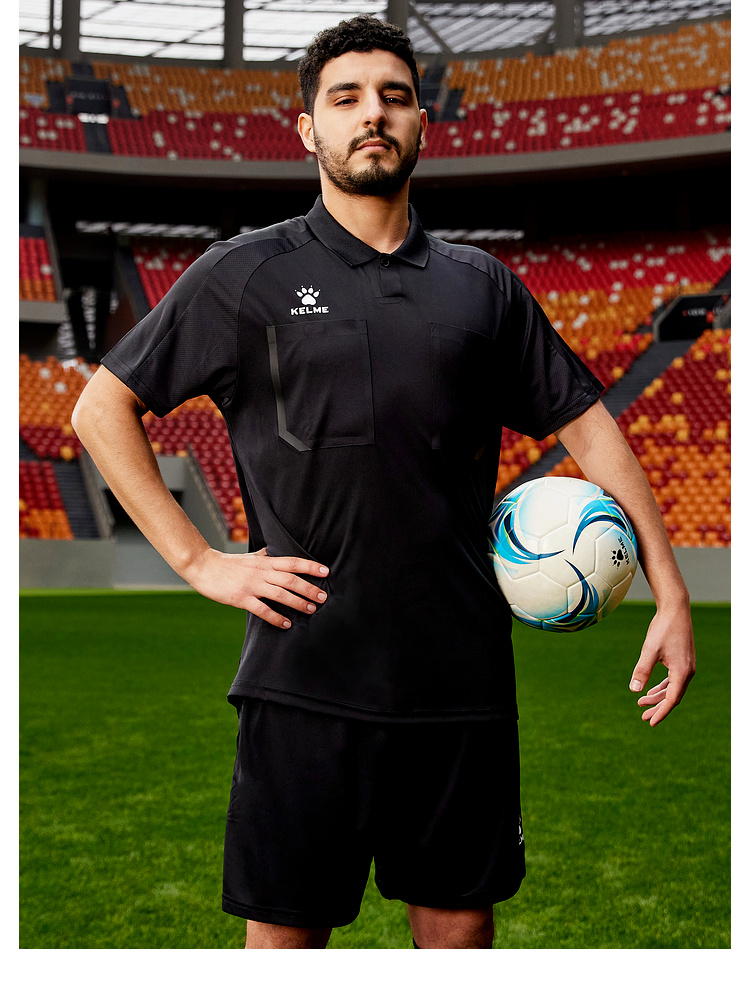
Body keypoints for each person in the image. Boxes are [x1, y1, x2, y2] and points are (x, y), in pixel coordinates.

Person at [72, 14, 695, 950]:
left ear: (420, 125)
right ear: (308, 128)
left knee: (458, 937)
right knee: (285, 946)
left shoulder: (483, 286)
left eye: (394, 97)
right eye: (347, 97)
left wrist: (670, 588)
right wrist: (201, 561)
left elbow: (586, 424)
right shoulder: (245, 274)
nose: (373, 113)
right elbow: (100, 408)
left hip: (459, 688)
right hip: (303, 681)